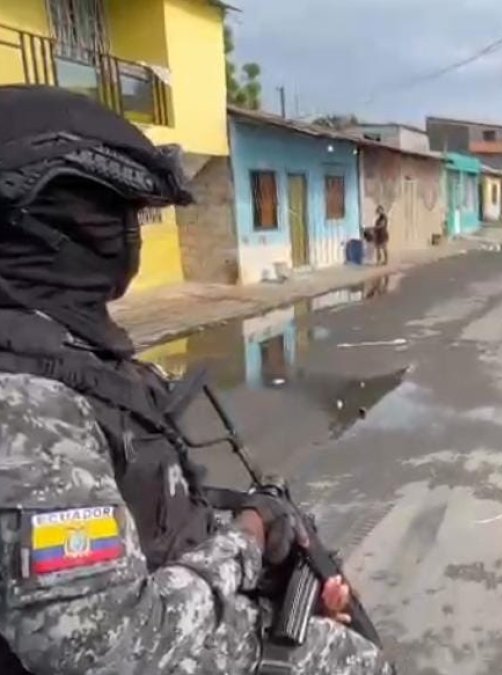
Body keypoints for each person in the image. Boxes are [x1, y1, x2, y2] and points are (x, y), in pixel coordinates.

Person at [0, 86, 394, 674]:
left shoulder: (69, 350)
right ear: (40, 216)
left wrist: (265, 557)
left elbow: (151, 510)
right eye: (113, 215)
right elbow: (108, 648)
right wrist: (249, 539)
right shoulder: (25, 399)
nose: (130, 236)